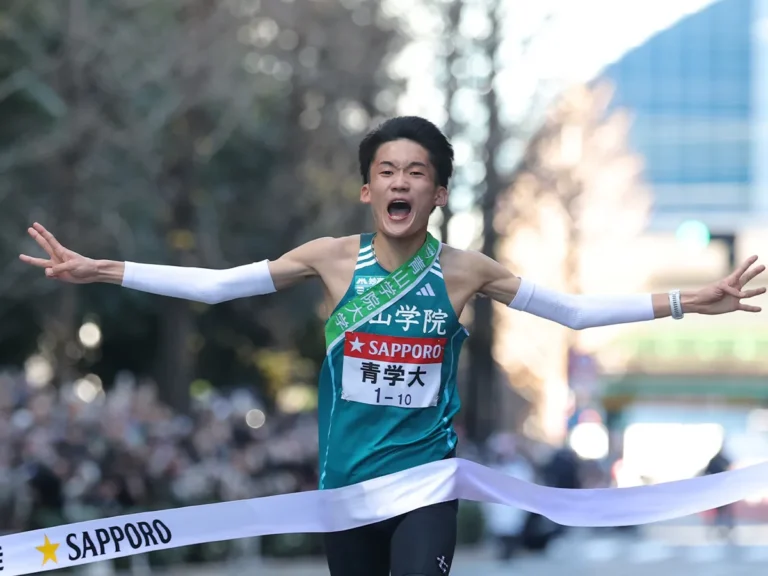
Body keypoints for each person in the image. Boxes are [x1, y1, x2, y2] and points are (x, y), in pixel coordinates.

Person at [19, 116, 765, 576]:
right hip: (344, 486)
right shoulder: (331, 258)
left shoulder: (466, 271)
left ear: (438, 193)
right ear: (367, 191)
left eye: (417, 172)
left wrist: (686, 300)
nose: (401, 182)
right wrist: (102, 269)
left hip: (427, 483)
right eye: (387, 172)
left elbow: (570, 311)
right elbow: (219, 286)